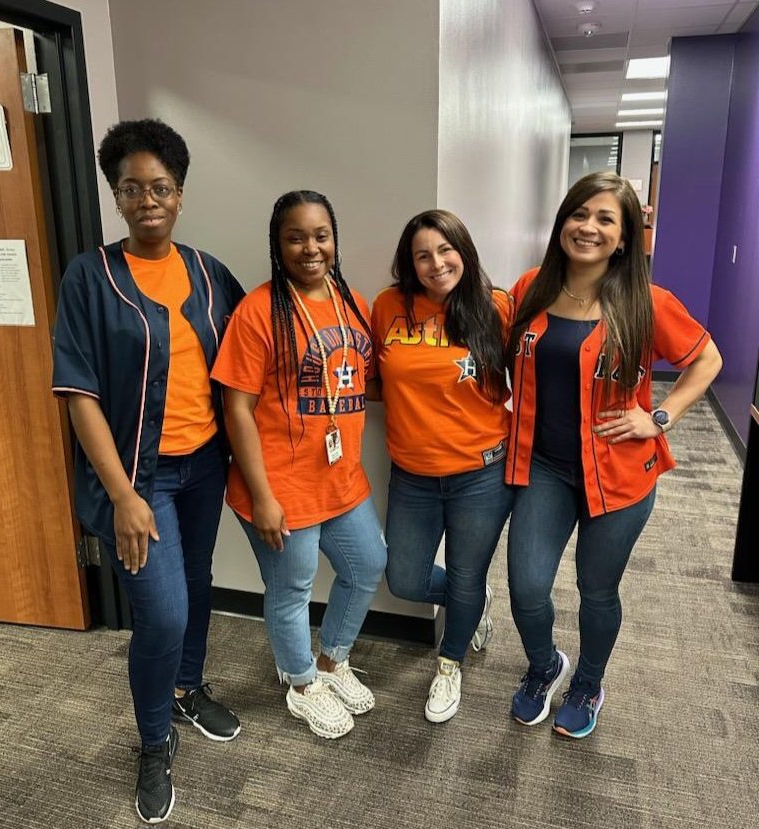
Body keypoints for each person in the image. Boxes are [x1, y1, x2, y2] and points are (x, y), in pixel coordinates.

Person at [51, 119, 244, 824]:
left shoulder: (208, 270)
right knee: (160, 613)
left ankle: (188, 689)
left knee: (197, 584)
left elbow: (244, 363)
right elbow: (78, 393)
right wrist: (123, 493)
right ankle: (154, 737)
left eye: (160, 186)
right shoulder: (90, 277)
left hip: (204, 468)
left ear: (180, 193)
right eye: (131, 188)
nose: (147, 199)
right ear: (116, 195)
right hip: (142, 478)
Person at [504, 172, 722, 739]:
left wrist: (658, 417)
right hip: (545, 468)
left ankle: (589, 682)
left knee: (597, 590)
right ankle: (544, 665)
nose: (590, 227)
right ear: (562, 223)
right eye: (580, 214)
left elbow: (706, 360)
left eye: (606, 220)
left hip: (620, 472)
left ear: (624, 238)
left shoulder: (646, 301)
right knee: (527, 587)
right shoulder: (530, 287)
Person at [211, 190, 387, 740]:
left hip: (340, 476)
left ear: (334, 240)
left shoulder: (351, 301)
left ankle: (333, 661)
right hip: (281, 483)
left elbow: (366, 379)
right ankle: (302, 682)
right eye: (295, 237)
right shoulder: (259, 310)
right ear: (277, 244)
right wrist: (262, 497)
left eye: (320, 235)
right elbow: (235, 407)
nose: (310, 248)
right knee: (293, 586)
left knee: (367, 564)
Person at [370, 210, 515, 723]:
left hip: (481, 472)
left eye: (445, 250)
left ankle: (449, 666)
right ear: (410, 263)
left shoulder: (496, 307)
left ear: (463, 250)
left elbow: (536, 379)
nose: (436, 264)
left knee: (465, 574)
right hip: (413, 474)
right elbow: (373, 380)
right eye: (422, 255)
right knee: (405, 578)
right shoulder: (389, 306)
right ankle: (471, 599)